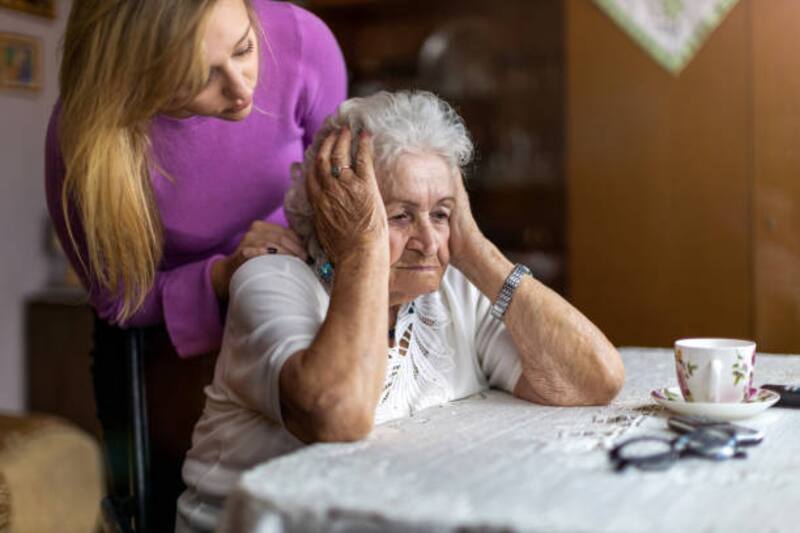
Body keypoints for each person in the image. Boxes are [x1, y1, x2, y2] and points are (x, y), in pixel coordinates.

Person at [177, 90, 625, 531]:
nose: (429, 243)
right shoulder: (274, 279)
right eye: (401, 216)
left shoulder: (451, 289)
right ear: (337, 212)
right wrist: (363, 248)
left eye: (441, 214)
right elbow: (338, 414)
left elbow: (594, 379)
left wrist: (475, 251)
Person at [44, 0, 346, 528]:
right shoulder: (82, 138)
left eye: (244, 49)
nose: (242, 89)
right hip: (155, 347)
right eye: (198, 77)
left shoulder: (302, 41)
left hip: (290, 307)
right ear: (133, 80)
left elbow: (341, 200)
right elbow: (117, 297)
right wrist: (223, 274)